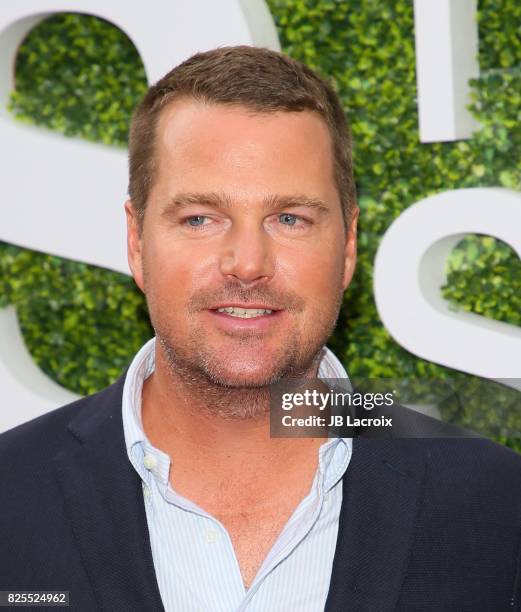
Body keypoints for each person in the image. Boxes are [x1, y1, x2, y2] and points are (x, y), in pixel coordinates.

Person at [1, 45, 520, 612]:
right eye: (199, 218)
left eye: (289, 218)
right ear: (136, 241)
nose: (247, 263)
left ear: (347, 246)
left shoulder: (496, 501)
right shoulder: (11, 493)